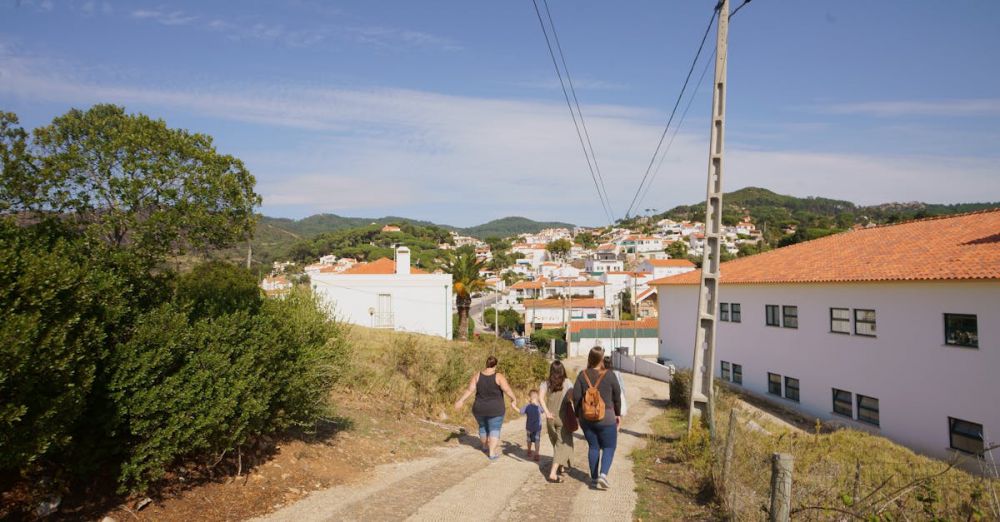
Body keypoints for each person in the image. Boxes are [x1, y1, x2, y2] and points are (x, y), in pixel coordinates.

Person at [573, 346, 621, 490]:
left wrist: (577, 415)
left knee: (593, 447)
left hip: (586, 418)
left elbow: (576, 397)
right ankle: (603, 475)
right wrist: (618, 414)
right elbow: (617, 397)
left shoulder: (582, 375)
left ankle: (594, 479)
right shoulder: (610, 375)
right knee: (609, 446)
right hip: (606, 417)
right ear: (601, 359)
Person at [454, 355, 518, 461]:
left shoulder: (477, 376)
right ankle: (491, 453)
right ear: (495, 365)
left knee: (483, 427)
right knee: (494, 429)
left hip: (479, 408)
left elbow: (469, 390)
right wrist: (513, 398)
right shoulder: (499, 376)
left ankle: (484, 446)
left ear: (486, 364)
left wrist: (461, 400)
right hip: (496, 409)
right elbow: (507, 389)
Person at [540, 360, 575, 483]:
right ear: (562, 370)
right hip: (562, 417)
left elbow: (540, 398)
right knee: (561, 444)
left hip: (550, 418)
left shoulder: (545, 383)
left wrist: (547, 413)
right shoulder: (567, 383)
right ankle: (553, 473)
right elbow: (572, 398)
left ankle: (561, 466)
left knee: (555, 443)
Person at [520, 390, 543, 461]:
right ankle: (536, 454)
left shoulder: (527, 406)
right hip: (537, 427)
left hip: (529, 427)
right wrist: (539, 404)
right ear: (537, 397)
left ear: (530, 398)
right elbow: (543, 411)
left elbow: (521, 412)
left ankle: (529, 451)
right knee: (537, 440)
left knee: (529, 440)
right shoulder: (538, 406)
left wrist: (514, 406)